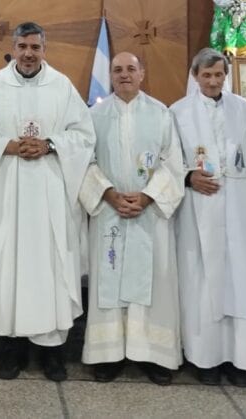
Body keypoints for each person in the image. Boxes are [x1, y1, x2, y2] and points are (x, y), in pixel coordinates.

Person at [0, 22, 95, 382]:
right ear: (14, 47)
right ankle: (11, 351)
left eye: (35, 47)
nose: (28, 54)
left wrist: (50, 144)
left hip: (50, 195)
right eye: (22, 46)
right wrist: (8, 145)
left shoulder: (62, 87)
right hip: (7, 192)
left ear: (44, 49)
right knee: (9, 267)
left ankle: (52, 355)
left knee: (49, 269)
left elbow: (84, 136)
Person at [79, 52, 184, 385]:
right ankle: (108, 354)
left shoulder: (161, 114)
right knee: (109, 279)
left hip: (149, 214)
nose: (124, 75)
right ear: (110, 76)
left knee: (154, 280)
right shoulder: (94, 116)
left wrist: (147, 196)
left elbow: (173, 164)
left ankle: (153, 354)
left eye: (130, 69)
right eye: (117, 70)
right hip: (109, 212)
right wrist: (109, 195)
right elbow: (85, 162)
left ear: (142, 73)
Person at [170, 49, 246, 387]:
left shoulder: (244, 110)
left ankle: (239, 359)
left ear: (226, 75)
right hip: (198, 209)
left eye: (218, 75)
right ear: (195, 76)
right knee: (201, 281)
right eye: (206, 76)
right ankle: (204, 358)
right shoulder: (178, 112)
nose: (213, 81)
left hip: (238, 206)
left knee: (239, 279)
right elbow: (167, 158)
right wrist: (187, 176)